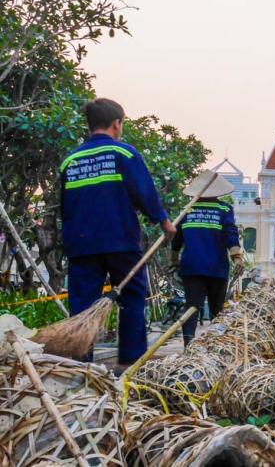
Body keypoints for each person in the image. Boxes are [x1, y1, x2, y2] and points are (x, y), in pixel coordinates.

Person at [60, 98, 175, 369]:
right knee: (132, 297)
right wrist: (163, 221)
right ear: (117, 123)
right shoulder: (123, 154)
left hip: (81, 244)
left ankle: (80, 364)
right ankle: (131, 362)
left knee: (83, 304)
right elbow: (144, 192)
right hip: (120, 240)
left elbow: (65, 207)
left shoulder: (70, 161)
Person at [169, 175, 242, 346]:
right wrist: (237, 256)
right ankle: (218, 346)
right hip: (216, 267)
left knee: (192, 307)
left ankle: (188, 346)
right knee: (217, 309)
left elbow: (176, 240)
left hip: (192, 267)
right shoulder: (224, 210)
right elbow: (230, 233)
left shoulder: (187, 210)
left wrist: (173, 262)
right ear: (218, 192)